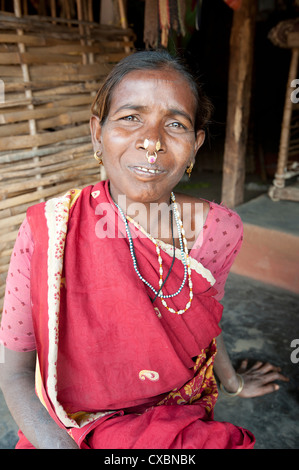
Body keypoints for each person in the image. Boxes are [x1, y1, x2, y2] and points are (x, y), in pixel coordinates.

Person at [0, 50, 288, 449]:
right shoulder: (47, 229)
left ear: (196, 143)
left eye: (175, 124)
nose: (151, 142)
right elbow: (13, 372)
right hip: (75, 427)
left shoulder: (217, 229)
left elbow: (203, 320)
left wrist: (233, 381)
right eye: (130, 118)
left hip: (179, 414)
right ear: (96, 133)